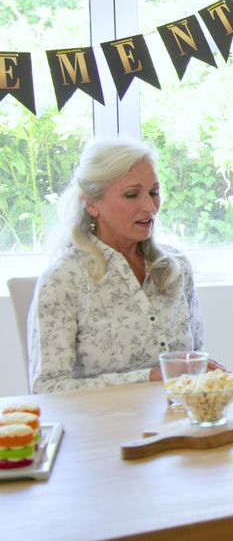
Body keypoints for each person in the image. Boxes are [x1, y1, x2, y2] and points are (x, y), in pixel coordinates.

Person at [28, 138, 207, 393]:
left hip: (180, 423)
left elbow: (195, 358)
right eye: (132, 194)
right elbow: (48, 388)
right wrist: (151, 377)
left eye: (154, 192)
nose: (150, 207)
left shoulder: (175, 268)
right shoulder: (63, 279)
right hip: (103, 428)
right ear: (91, 203)